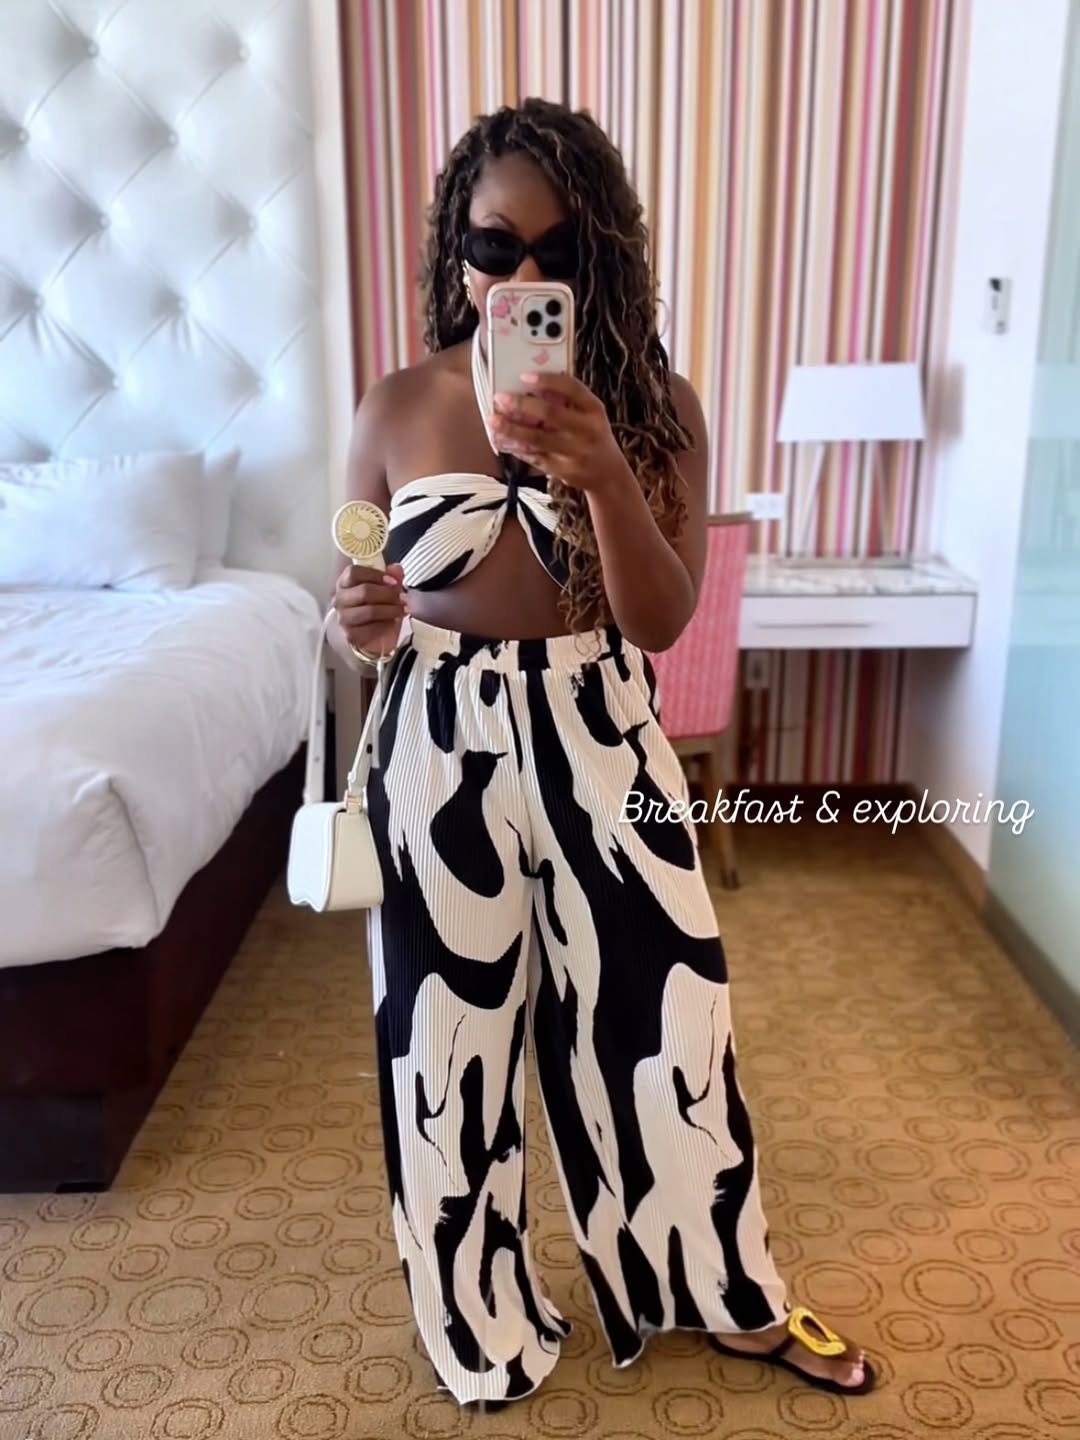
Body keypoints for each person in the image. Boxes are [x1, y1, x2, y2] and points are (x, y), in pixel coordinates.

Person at [330, 97, 875, 1411]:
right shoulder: (395, 405)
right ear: (454, 248)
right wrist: (362, 624)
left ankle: (725, 1292)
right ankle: (477, 1319)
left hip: (601, 727)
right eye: (493, 244)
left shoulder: (656, 404)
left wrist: (607, 474)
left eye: (558, 252)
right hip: (437, 742)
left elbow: (663, 619)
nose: (520, 276)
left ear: (602, 259)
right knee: (445, 1043)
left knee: (670, 1018)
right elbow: (360, 608)